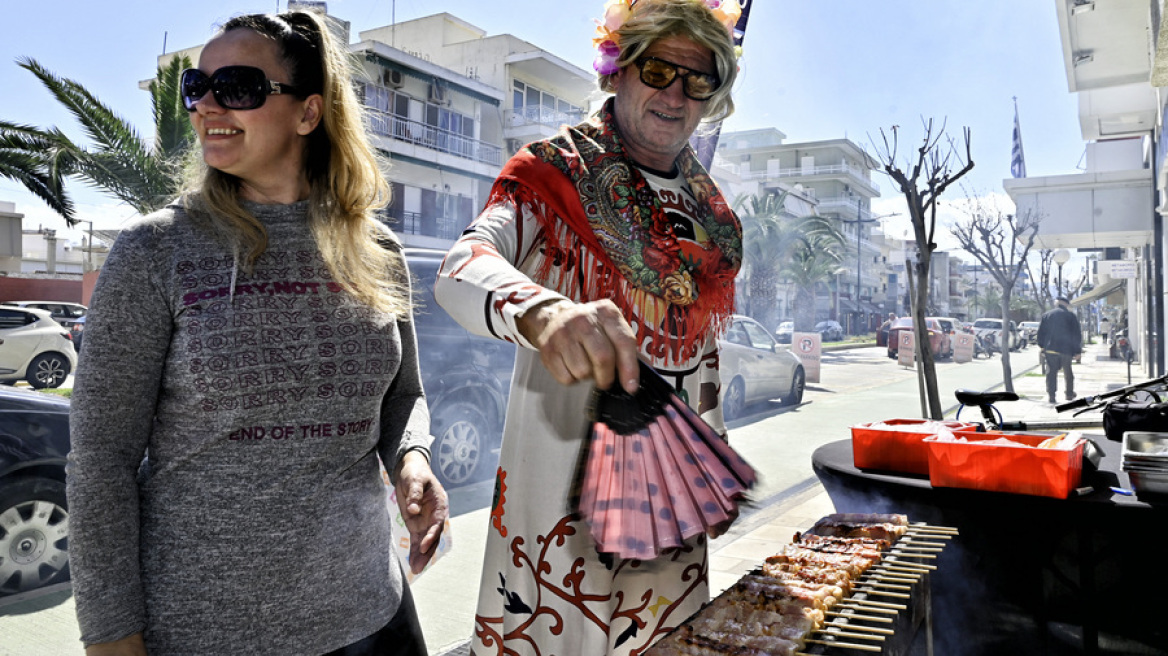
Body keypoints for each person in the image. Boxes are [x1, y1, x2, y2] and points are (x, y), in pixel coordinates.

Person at [66, 10, 447, 655]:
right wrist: (109, 636)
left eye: (238, 86)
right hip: (208, 635)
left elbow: (402, 395)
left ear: (308, 113)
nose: (207, 105)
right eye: (197, 87)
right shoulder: (156, 251)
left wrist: (413, 459)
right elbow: (100, 464)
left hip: (373, 616)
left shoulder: (375, 247)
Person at [434, 0, 742, 653]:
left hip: (669, 523)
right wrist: (545, 311)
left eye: (699, 79)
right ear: (616, 69)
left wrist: (711, 467)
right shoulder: (550, 172)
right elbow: (461, 265)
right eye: (658, 68)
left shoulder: (711, 216)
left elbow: (702, 360)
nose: (676, 94)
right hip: (557, 518)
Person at [1037, 296, 1083, 404]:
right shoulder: (1071, 316)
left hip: (1050, 349)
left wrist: (1042, 346)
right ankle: (1069, 394)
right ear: (1066, 304)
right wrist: (1077, 351)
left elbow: (1041, 332)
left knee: (1051, 373)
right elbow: (1076, 334)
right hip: (1066, 350)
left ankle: (1052, 396)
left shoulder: (1047, 315)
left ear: (1057, 303)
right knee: (1068, 373)